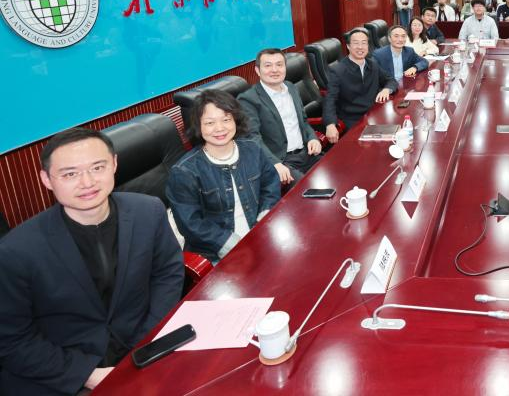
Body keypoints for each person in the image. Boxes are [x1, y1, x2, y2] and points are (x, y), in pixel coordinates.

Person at [0, 128, 183, 394]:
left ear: (114, 165)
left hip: (142, 348)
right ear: (46, 179)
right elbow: (12, 339)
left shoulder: (148, 210)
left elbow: (168, 273)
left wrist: (147, 339)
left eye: (98, 167)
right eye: (70, 174)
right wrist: (86, 374)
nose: (87, 182)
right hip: (64, 372)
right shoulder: (16, 250)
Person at [168, 90, 282, 264]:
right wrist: (231, 243)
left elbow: (270, 185)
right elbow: (190, 224)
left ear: (235, 120)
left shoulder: (252, 149)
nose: (219, 128)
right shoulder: (184, 171)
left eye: (226, 119)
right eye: (210, 123)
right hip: (216, 254)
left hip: (261, 237)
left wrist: (265, 216)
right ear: (198, 126)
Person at [238, 49, 323, 186]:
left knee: (334, 173)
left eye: (279, 65)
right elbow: (252, 138)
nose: (274, 70)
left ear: (285, 67)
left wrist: (312, 138)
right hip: (282, 161)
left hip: (307, 153)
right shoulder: (248, 99)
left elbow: (303, 121)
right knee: (307, 189)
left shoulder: (291, 87)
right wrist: (274, 163)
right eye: (268, 65)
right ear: (258, 70)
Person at [322, 29, 397, 142]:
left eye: (364, 43)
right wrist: (330, 124)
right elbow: (330, 99)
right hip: (353, 120)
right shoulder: (338, 70)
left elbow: (391, 80)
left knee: (396, 135)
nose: (360, 47)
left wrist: (386, 89)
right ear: (348, 46)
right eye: (356, 43)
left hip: (374, 114)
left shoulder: (372, 64)